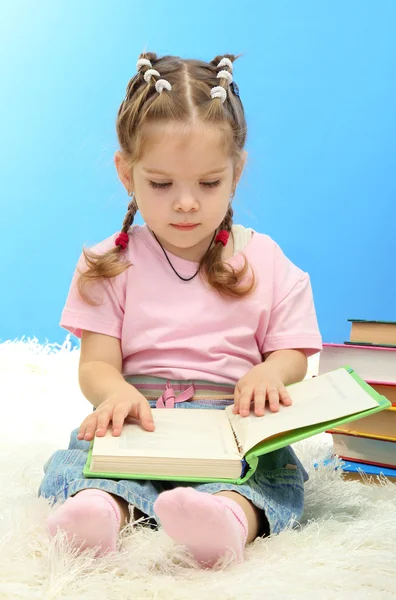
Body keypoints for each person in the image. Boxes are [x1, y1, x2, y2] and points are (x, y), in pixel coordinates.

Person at [38, 52, 322, 569]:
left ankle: (226, 520)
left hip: (233, 428)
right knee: (86, 466)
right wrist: (115, 393)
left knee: (267, 478)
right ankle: (100, 511)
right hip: (140, 423)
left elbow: (293, 353)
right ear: (127, 173)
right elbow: (97, 364)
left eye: (208, 184)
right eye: (162, 184)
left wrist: (270, 371)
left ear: (237, 171)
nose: (186, 203)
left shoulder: (266, 259)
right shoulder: (109, 263)